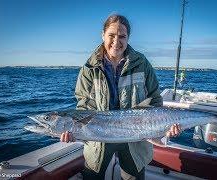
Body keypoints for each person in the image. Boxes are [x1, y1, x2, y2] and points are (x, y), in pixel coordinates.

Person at [60, 14, 181, 180]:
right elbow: (83, 105)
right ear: (103, 35)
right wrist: (74, 131)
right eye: (111, 35)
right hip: (99, 139)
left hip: (137, 136)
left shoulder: (141, 63)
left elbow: (155, 98)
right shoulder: (89, 68)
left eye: (122, 36)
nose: (116, 42)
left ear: (128, 38)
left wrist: (165, 127)